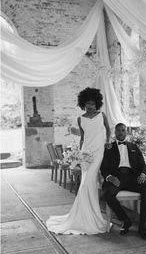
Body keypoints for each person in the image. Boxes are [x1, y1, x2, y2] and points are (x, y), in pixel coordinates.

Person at [46, 87, 111, 235]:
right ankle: (84, 215)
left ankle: (90, 215)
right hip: (86, 153)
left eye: (93, 103)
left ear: (97, 104)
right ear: (84, 104)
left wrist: (107, 141)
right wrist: (79, 155)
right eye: (87, 103)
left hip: (99, 151)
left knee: (89, 181)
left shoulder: (102, 115)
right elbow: (82, 137)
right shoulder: (80, 118)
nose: (90, 106)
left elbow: (108, 129)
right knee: (86, 182)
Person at [101, 123, 146, 239]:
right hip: (116, 178)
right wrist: (111, 178)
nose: (120, 133)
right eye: (118, 130)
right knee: (107, 194)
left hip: (132, 177)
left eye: (123, 130)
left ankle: (142, 226)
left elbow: (142, 165)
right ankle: (125, 220)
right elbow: (103, 168)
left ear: (126, 132)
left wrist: (143, 174)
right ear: (115, 132)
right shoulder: (109, 148)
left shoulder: (134, 147)